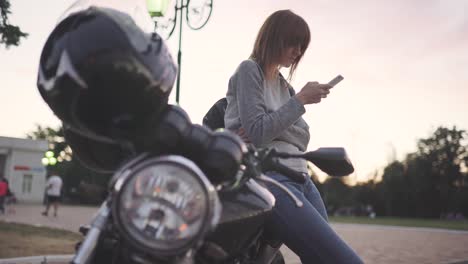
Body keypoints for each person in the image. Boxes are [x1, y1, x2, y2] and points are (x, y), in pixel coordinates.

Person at [224, 10, 363, 263]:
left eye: (302, 47)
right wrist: (298, 101)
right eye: (294, 43)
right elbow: (259, 133)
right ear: (275, 37)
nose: (298, 52)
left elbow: (303, 136)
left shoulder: (283, 85)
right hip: (271, 179)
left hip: (302, 178)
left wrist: (271, 120)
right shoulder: (249, 70)